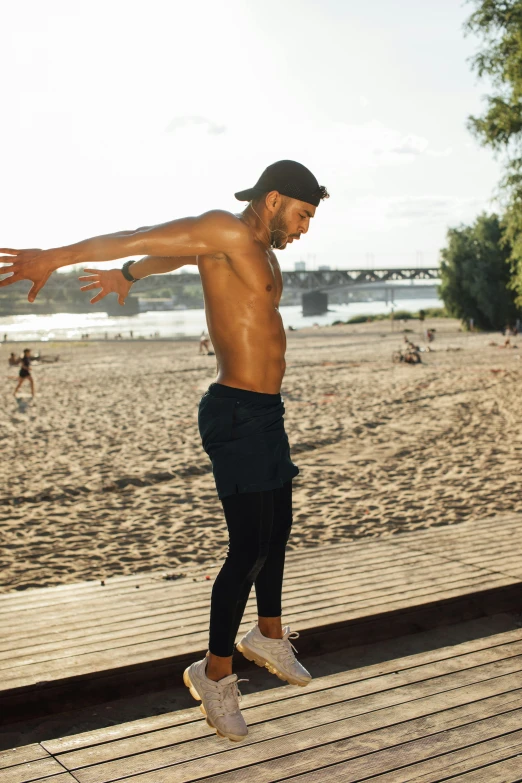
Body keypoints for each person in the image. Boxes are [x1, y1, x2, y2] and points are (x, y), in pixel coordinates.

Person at [0, 159, 329, 743]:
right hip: (235, 411)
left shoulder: (255, 247)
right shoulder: (227, 228)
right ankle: (215, 675)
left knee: (278, 526)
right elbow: (144, 235)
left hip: (265, 411)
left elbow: (174, 256)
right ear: (274, 199)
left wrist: (130, 275)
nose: (305, 228)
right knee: (248, 547)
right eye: (303, 215)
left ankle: (269, 636)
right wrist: (57, 256)